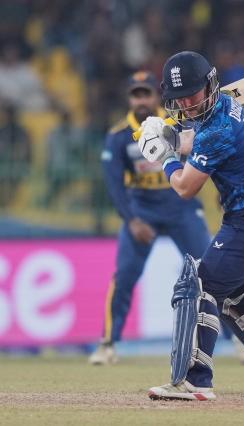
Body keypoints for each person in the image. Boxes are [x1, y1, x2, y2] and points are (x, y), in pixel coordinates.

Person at [137, 51, 244, 400]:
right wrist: (168, 136)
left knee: (200, 286)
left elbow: (185, 187)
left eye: (192, 94)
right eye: (179, 98)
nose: (186, 104)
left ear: (209, 86)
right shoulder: (222, 110)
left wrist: (165, 157)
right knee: (230, 293)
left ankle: (195, 381)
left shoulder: (217, 129)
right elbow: (194, 139)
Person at [89, 71, 211, 365]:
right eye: (136, 95)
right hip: (142, 209)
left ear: (157, 96)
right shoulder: (119, 135)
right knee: (125, 275)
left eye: (146, 94)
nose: (142, 100)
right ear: (129, 99)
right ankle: (107, 343)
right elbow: (114, 184)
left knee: (211, 273)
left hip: (181, 204)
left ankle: (237, 342)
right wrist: (131, 220)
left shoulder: (177, 122)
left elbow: (208, 154)